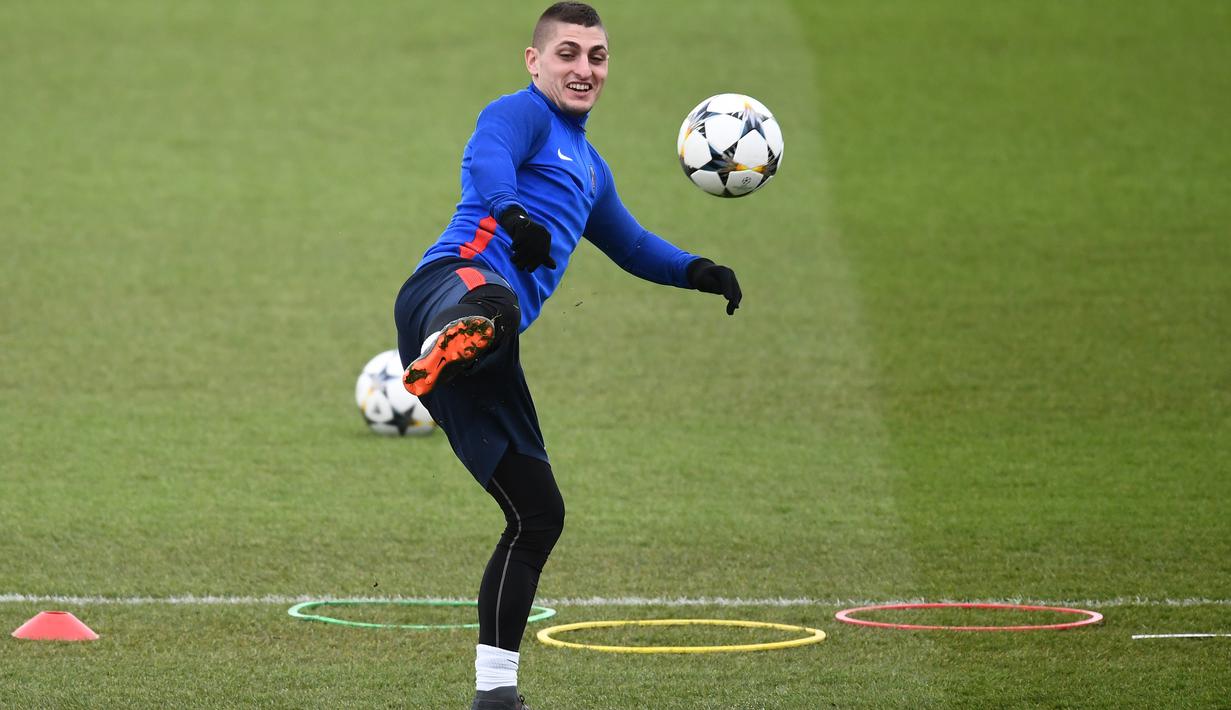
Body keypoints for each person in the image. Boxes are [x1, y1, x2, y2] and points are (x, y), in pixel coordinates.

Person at [393, 3, 741, 708]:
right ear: (534, 61)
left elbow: (632, 244)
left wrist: (697, 270)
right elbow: (485, 158)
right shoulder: (517, 115)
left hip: (491, 342)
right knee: (497, 304)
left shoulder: (590, 167)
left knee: (537, 514)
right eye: (569, 54)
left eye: (598, 56)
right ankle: (448, 341)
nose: (584, 68)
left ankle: (496, 695)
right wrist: (510, 214)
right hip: (452, 282)